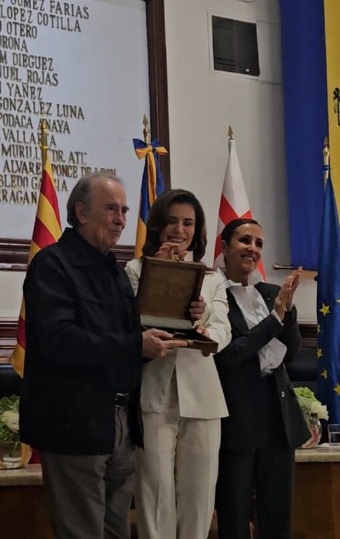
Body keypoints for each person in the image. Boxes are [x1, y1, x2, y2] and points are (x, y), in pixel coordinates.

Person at [20, 171, 186, 539]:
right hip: (74, 423)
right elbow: (58, 340)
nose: (122, 220)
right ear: (81, 212)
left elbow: (134, 335)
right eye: (112, 209)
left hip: (122, 421)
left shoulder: (114, 272)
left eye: (125, 211)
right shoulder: (53, 265)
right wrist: (135, 346)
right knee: (82, 532)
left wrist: (170, 285)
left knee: (116, 532)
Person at [125, 189, 231, 539]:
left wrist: (198, 324)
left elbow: (221, 331)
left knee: (199, 496)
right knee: (155, 493)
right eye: (171, 221)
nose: (179, 230)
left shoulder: (213, 278)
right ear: (157, 225)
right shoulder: (135, 270)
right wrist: (164, 274)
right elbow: (132, 323)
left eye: (188, 222)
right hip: (153, 395)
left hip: (202, 396)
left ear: (197, 230)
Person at [214, 218, 309, 539]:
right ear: (224, 247)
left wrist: (288, 311)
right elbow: (228, 356)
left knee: (277, 514)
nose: (252, 249)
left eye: (258, 244)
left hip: (278, 417)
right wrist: (275, 318)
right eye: (244, 241)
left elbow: (292, 354)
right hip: (237, 417)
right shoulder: (213, 296)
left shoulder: (271, 293)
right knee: (235, 513)